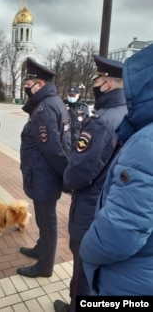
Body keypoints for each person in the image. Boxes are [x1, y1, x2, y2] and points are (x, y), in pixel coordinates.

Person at [54, 55, 127, 312]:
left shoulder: (101, 121)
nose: (94, 83)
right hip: (111, 203)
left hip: (89, 206)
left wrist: (66, 181)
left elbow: (79, 169)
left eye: (96, 78)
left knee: (82, 272)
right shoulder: (127, 114)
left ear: (106, 84)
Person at [80, 44, 153, 296]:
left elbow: (122, 231)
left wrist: (86, 250)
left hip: (129, 280)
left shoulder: (146, 142)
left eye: (97, 79)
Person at [17, 57, 71, 278]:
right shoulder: (53, 102)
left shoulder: (44, 109)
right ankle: (41, 248)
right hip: (44, 176)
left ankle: (45, 266)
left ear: (39, 84)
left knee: (46, 221)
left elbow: (54, 150)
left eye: (28, 86)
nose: (27, 90)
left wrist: (67, 177)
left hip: (44, 177)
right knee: (43, 219)